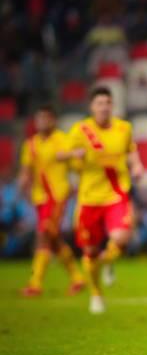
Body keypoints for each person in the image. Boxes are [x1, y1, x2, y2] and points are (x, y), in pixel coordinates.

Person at [60, 87, 143, 314]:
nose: (104, 107)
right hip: (89, 198)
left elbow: (131, 150)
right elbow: (60, 154)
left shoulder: (123, 128)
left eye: (107, 102)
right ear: (91, 107)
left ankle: (108, 261)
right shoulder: (81, 130)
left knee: (122, 237)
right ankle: (96, 294)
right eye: (99, 103)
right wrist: (72, 155)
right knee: (90, 251)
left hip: (116, 194)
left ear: (112, 105)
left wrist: (136, 165)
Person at [18, 105, 85, 296]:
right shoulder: (30, 144)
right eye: (39, 119)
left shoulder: (62, 140)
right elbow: (26, 170)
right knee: (54, 239)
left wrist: (74, 156)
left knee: (43, 235)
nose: (42, 122)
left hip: (57, 197)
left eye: (46, 119)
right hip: (39, 198)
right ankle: (77, 278)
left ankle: (35, 283)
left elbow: (76, 166)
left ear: (54, 121)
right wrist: (21, 186)